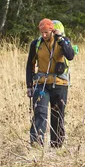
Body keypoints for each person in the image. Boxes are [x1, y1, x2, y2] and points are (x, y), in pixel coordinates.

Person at [26, 18, 75, 147]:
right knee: (40, 111)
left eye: (46, 32)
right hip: (41, 83)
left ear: (52, 31)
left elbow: (70, 55)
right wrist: (29, 85)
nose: (44, 35)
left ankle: (56, 145)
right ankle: (36, 143)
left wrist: (61, 39)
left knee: (57, 115)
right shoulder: (36, 44)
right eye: (41, 32)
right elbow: (29, 65)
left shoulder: (62, 42)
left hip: (60, 83)